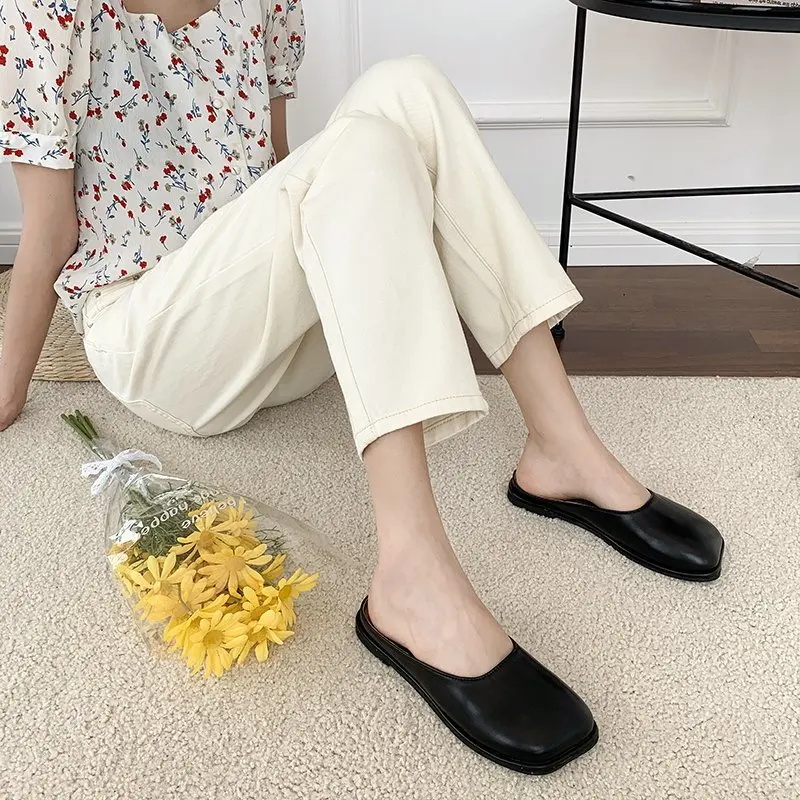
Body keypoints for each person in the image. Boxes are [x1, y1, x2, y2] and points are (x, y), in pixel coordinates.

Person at [0, 0, 724, 774]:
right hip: (160, 342)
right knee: (365, 145)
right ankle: (413, 575)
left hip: (267, 328)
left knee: (408, 86)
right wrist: (9, 395)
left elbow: (276, 174)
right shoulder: (45, 12)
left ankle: (561, 445)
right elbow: (51, 234)